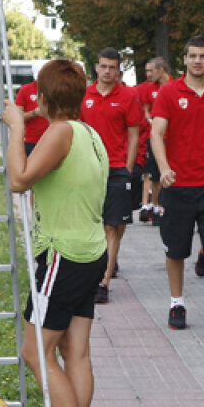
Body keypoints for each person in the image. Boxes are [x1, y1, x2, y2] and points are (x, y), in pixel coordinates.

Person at [2, 59, 107, 407]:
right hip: (89, 252)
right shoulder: (88, 133)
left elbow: (19, 179)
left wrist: (14, 127)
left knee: (35, 352)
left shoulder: (59, 132)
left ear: (42, 99)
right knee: (73, 351)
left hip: (62, 255)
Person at [150, 36, 204, 337]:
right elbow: (156, 132)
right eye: (193, 56)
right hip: (177, 184)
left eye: (203, 56)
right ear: (184, 59)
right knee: (176, 251)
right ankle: (177, 303)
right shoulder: (169, 92)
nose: (198, 61)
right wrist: (163, 168)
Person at [80, 48, 143, 304]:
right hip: (89, 167)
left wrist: (128, 168)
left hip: (117, 169)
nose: (107, 71)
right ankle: (99, 266)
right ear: (96, 67)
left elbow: (134, 134)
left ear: (118, 70)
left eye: (112, 67)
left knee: (112, 225)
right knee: (96, 224)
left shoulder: (128, 96)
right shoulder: (85, 94)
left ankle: (103, 282)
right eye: (103, 66)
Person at [138, 57, 173, 224]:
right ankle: (156, 206)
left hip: (172, 139)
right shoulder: (149, 88)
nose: (148, 74)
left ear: (161, 70)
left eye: (151, 71)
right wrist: (153, 122)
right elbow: (146, 111)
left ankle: (168, 205)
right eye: (146, 71)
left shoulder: (175, 86)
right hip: (155, 137)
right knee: (155, 175)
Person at [14, 64, 50, 156]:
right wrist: (34, 113)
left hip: (52, 139)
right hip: (31, 141)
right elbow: (16, 118)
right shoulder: (26, 89)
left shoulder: (55, 88)